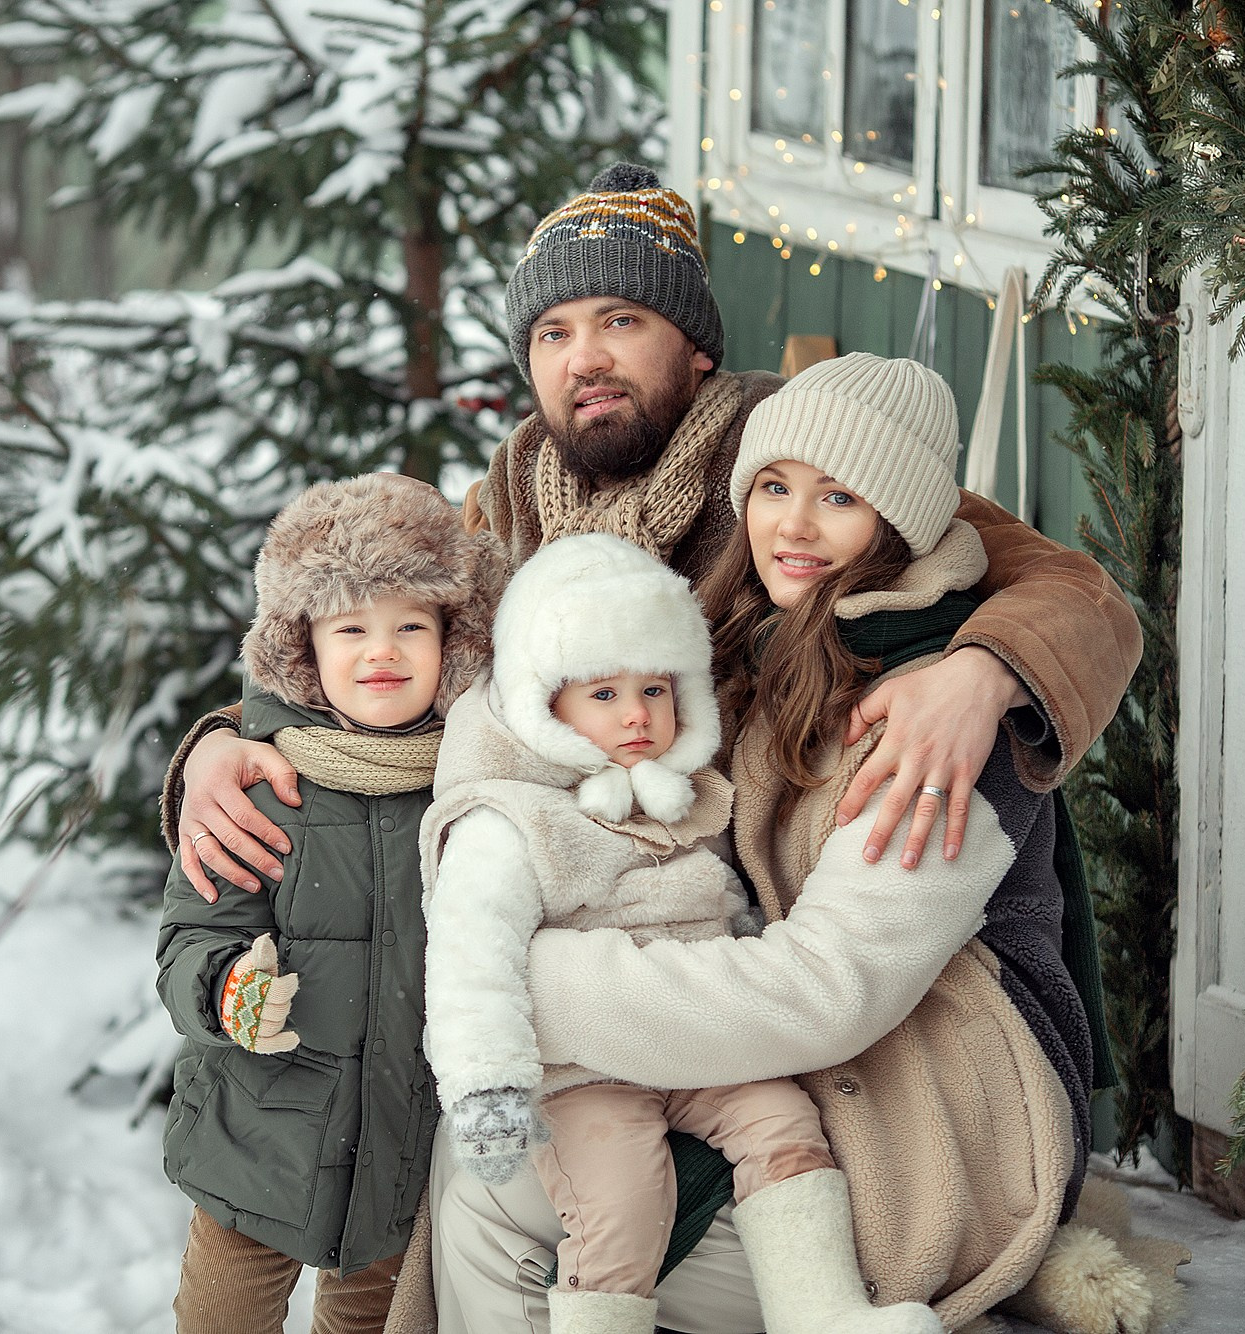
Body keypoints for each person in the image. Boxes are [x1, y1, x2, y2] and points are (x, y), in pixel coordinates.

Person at [384, 355, 1180, 1334]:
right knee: (487, 1153)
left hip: (934, 1112)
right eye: (771, 487)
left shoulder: (938, 724)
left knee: (503, 1199)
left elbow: (827, 989)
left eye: (837, 496)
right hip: (796, 1063)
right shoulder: (756, 630)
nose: (792, 525)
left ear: (900, 520)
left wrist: (516, 984)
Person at [161, 162, 1142, 903]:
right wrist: (220, 738)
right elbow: (369, 624)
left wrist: (982, 672)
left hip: (723, 884)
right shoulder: (507, 496)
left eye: (618, 319)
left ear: (692, 342)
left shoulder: (784, 457)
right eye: (551, 333)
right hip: (540, 871)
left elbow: (1071, 590)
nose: (582, 357)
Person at [419, 532, 941, 1334]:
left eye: (655, 689)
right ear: (541, 704)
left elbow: (726, 902)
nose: (635, 715)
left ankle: (822, 1311)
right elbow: (469, 954)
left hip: (699, 1049)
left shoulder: (690, 797)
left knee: (783, 1127)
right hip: (583, 1071)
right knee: (622, 1198)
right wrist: (486, 1083)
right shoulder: (512, 821)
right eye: (602, 694)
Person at [155, 474, 504, 1334]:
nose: (380, 652)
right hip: (257, 1134)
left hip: (406, 1139)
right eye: (350, 627)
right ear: (303, 648)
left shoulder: (471, 786)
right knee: (223, 1318)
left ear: (452, 643)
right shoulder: (261, 785)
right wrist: (225, 990)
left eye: (410, 627)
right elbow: (193, 933)